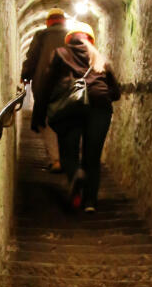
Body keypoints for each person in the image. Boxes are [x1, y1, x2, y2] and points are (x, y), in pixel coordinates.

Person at [36, 23, 121, 212]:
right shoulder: (100, 59)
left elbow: (47, 84)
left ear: (69, 40)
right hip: (99, 107)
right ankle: (90, 202)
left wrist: (39, 113)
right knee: (93, 155)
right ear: (91, 40)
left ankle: (75, 175)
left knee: (68, 150)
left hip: (70, 107)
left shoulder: (60, 54)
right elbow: (115, 93)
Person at [21, 9, 69, 169]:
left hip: (43, 85)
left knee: (47, 121)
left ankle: (56, 160)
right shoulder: (72, 36)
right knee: (66, 120)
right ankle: (67, 157)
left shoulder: (41, 35)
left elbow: (32, 57)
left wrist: (26, 76)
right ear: (64, 21)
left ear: (48, 22)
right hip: (68, 86)